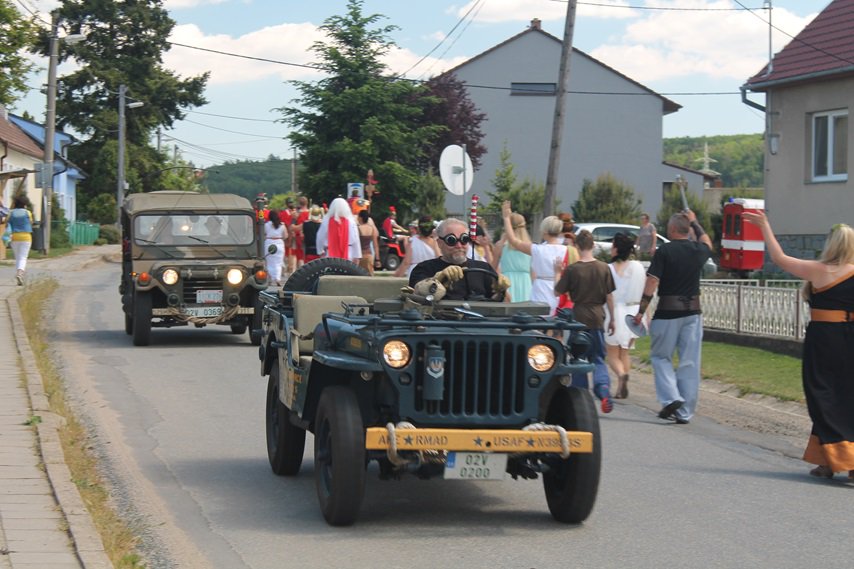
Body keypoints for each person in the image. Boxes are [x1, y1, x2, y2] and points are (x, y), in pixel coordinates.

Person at [743, 212, 854, 481]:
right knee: (844, 395)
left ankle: (847, 458)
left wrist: (765, 227)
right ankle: (827, 460)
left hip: (826, 340)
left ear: (832, 244)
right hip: (849, 337)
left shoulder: (821, 270)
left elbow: (780, 259)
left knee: (823, 395)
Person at [632, 210, 712, 424]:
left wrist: (641, 310)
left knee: (660, 357)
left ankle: (671, 397)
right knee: (689, 362)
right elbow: (707, 242)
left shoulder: (664, 251)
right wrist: (696, 222)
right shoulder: (698, 250)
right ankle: (685, 412)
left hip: (667, 313)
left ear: (672, 230)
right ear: (688, 230)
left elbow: (652, 283)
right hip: (693, 314)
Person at [554, 229, 616, 413]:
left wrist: (557, 272)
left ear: (577, 246)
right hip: (597, 316)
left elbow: (557, 292)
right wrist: (612, 319)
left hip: (578, 317)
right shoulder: (604, 268)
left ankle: (580, 400)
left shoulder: (573, 270)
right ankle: (603, 390)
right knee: (598, 357)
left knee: (578, 358)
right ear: (593, 246)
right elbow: (610, 296)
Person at [409, 218, 505, 301]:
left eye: (464, 239)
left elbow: (498, 303)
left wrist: (500, 290)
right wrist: (437, 279)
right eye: (451, 240)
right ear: (439, 243)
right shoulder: (424, 269)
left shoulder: (484, 269)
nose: (459, 246)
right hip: (442, 321)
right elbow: (417, 295)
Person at [501, 201, 566, 315]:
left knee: (538, 320)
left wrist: (506, 218)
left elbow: (514, 241)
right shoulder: (567, 250)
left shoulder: (538, 250)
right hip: (560, 287)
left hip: (540, 288)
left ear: (544, 231)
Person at [604, 233, 647, 399]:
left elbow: (607, 294)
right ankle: (621, 388)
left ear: (616, 248)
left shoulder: (609, 269)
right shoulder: (638, 267)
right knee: (625, 352)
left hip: (615, 311)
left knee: (612, 355)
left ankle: (621, 375)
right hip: (635, 312)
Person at [492, 212, 532, 302]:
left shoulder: (501, 245)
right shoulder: (529, 246)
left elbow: (492, 268)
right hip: (526, 282)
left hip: (507, 282)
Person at [316, 197, 361, 262]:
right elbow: (356, 239)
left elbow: (320, 237)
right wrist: (357, 255)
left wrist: (320, 251)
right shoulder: (351, 222)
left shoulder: (326, 222)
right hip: (349, 254)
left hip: (330, 254)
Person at [8, 196, 33, 286]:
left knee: (18, 257)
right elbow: (31, 222)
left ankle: (19, 274)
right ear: (25, 204)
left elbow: (7, 222)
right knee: (23, 257)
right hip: (26, 237)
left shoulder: (11, 213)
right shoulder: (27, 213)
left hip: (14, 237)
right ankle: (20, 273)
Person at [264, 210, 288, 286]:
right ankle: (277, 278)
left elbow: (264, 233)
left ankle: (270, 278)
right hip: (279, 243)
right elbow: (285, 236)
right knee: (278, 263)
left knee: (269, 262)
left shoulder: (266, 225)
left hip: (269, 243)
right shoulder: (282, 225)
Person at [356, 210, 380, 275]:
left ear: (361, 218)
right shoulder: (372, 229)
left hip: (360, 256)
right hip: (369, 256)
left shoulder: (358, 228)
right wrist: (377, 259)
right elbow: (376, 245)